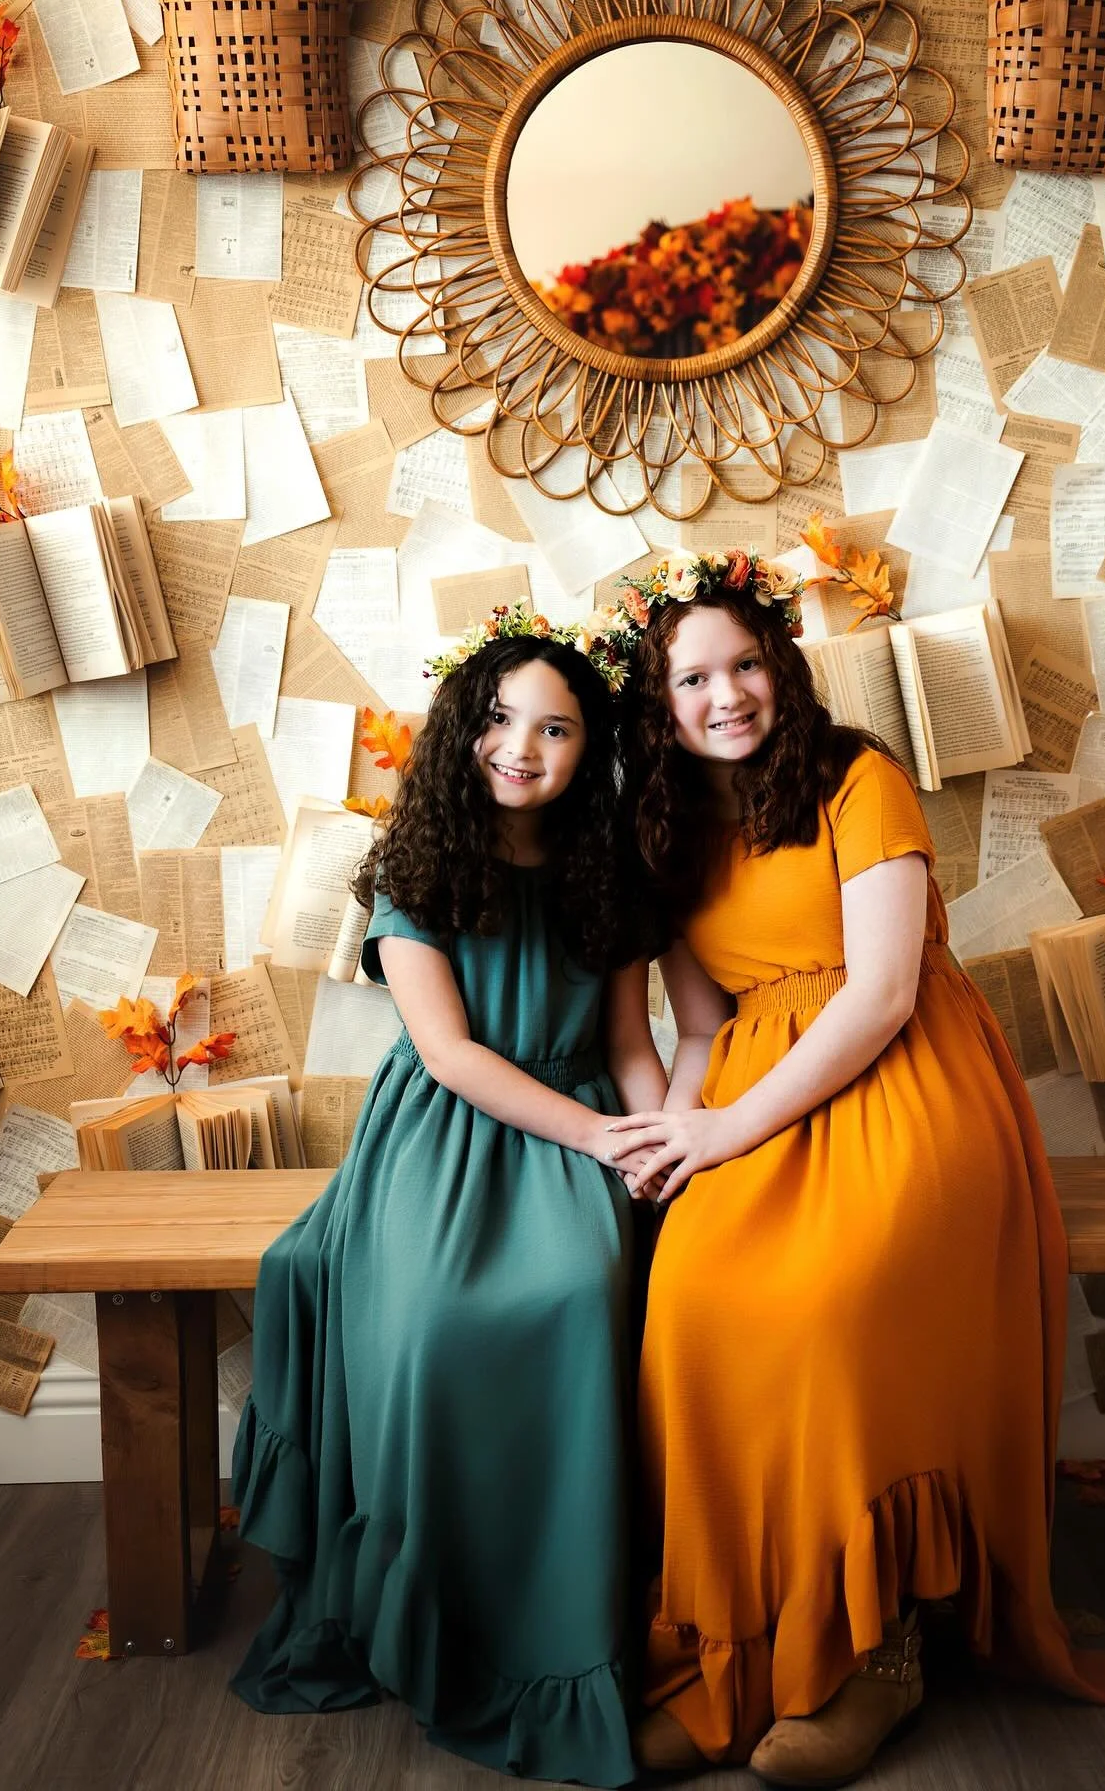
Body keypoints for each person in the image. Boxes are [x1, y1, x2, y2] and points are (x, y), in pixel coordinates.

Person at [602, 554, 1105, 1787]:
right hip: (751, 1088)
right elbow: (695, 1026)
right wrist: (670, 1148)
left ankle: (872, 1652)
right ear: (660, 699)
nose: (725, 694)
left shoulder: (856, 776)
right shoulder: (664, 824)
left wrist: (730, 1131)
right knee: (685, 1300)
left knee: (835, 1302)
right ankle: (730, 1656)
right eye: (694, 677)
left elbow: (885, 992)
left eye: (744, 664)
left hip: (907, 1079)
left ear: (779, 666)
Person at [229, 607, 667, 1787]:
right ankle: (437, 1600)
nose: (522, 746)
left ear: (592, 750)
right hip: (451, 1130)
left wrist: (656, 1138)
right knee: (433, 1327)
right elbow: (451, 1052)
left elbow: (629, 1042)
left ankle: (568, 1605)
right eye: (500, 717)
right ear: (462, 729)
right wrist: (594, 1135)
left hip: (583, 1124)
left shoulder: (607, 869)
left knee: (587, 1290)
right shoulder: (415, 866)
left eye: (558, 728)